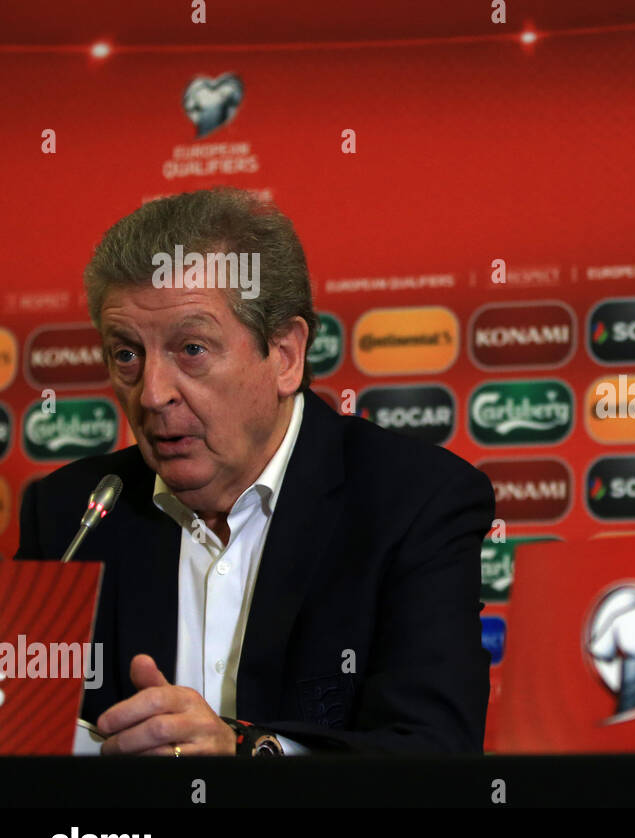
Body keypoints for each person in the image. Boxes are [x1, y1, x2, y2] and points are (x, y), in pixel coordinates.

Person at [17, 187, 495, 755]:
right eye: (126, 354)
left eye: (191, 348)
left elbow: (433, 754)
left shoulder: (412, 501)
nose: (152, 393)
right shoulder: (72, 513)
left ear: (286, 355)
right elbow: (25, 740)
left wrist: (246, 753)